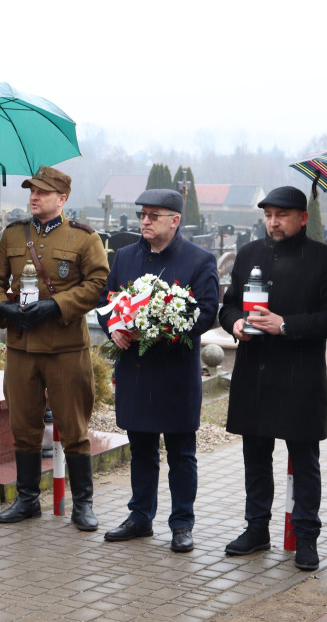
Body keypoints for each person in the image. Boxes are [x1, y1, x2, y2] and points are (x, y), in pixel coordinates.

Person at [218, 186, 327, 570]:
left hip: (299, 376)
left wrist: (286, 325)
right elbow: (228, 306)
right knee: (255, 456)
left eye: (282, 215)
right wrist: (236, 324)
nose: (273, 222)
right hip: (254, 373)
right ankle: (256, 529)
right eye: (269, 215)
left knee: (305, 460)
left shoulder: (326, 259)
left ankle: (306, 537)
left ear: (302, 218)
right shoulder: (248, 254)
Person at [0, 165, 109, 530]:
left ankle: (82, 504)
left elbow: (98, 282)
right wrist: (1, 307)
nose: (34, 197)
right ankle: (27, 500)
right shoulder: (14, 235)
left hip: (65, 348)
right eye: (31, 191)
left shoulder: (84, 238)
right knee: (23, 426)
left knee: (73, 427)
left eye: (42, 192)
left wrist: (56, 305)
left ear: (62, 198)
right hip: (22, 347)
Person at [97, 189, 219, 552]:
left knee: (181, 452)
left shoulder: (199, 260)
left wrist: (165, 327)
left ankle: (182, 523)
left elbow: (207, 311)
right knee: (142, 449)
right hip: (136, 369)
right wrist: (114, 328)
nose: (145, 221)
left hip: (175, 372)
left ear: (175, 220)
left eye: (153, 215)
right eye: (142, 215)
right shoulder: (125, 257)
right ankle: (140, 517)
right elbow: (109, 300)